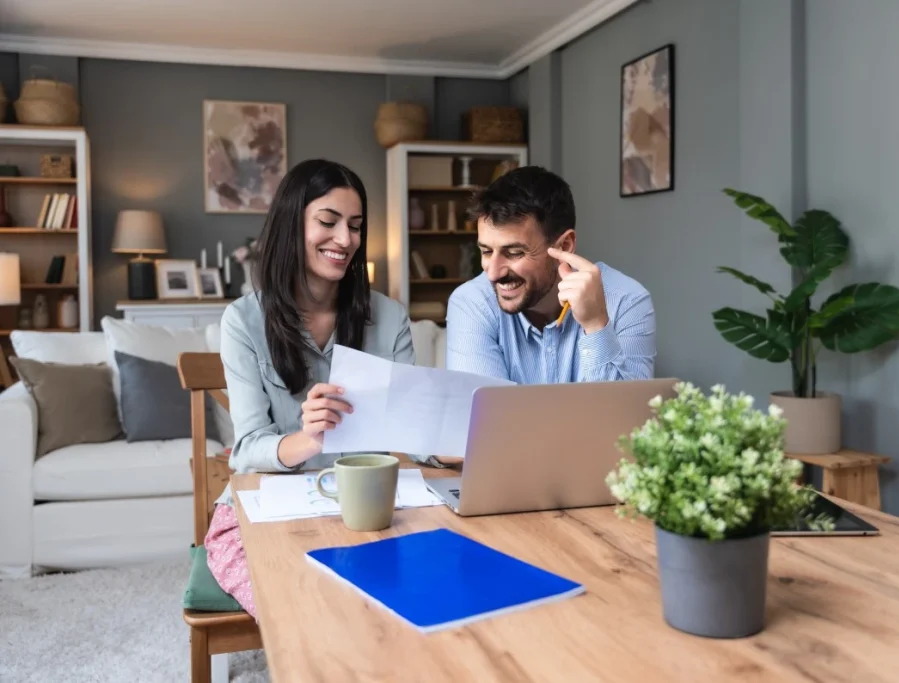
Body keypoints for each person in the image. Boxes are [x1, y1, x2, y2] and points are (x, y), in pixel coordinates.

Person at [205, 159, 433, 620]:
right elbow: (246, 450)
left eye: (355, 226)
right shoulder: (244, 321)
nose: (345, 240)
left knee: (430, 584)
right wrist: (309, 439)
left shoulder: (388, 318)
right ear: (292, 225)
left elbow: (416, 433)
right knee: (311, 606)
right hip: (267, 510)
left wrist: (451, 440)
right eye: (328, 222)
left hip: (369, 507)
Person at [445, 165, 656, 384]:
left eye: (515, 253)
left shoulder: (626, 300)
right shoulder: (472, 303)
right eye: (487, 251)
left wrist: (595, 325)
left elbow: (626, 415)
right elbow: (487, 415)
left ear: (564, 246)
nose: (493, 273)